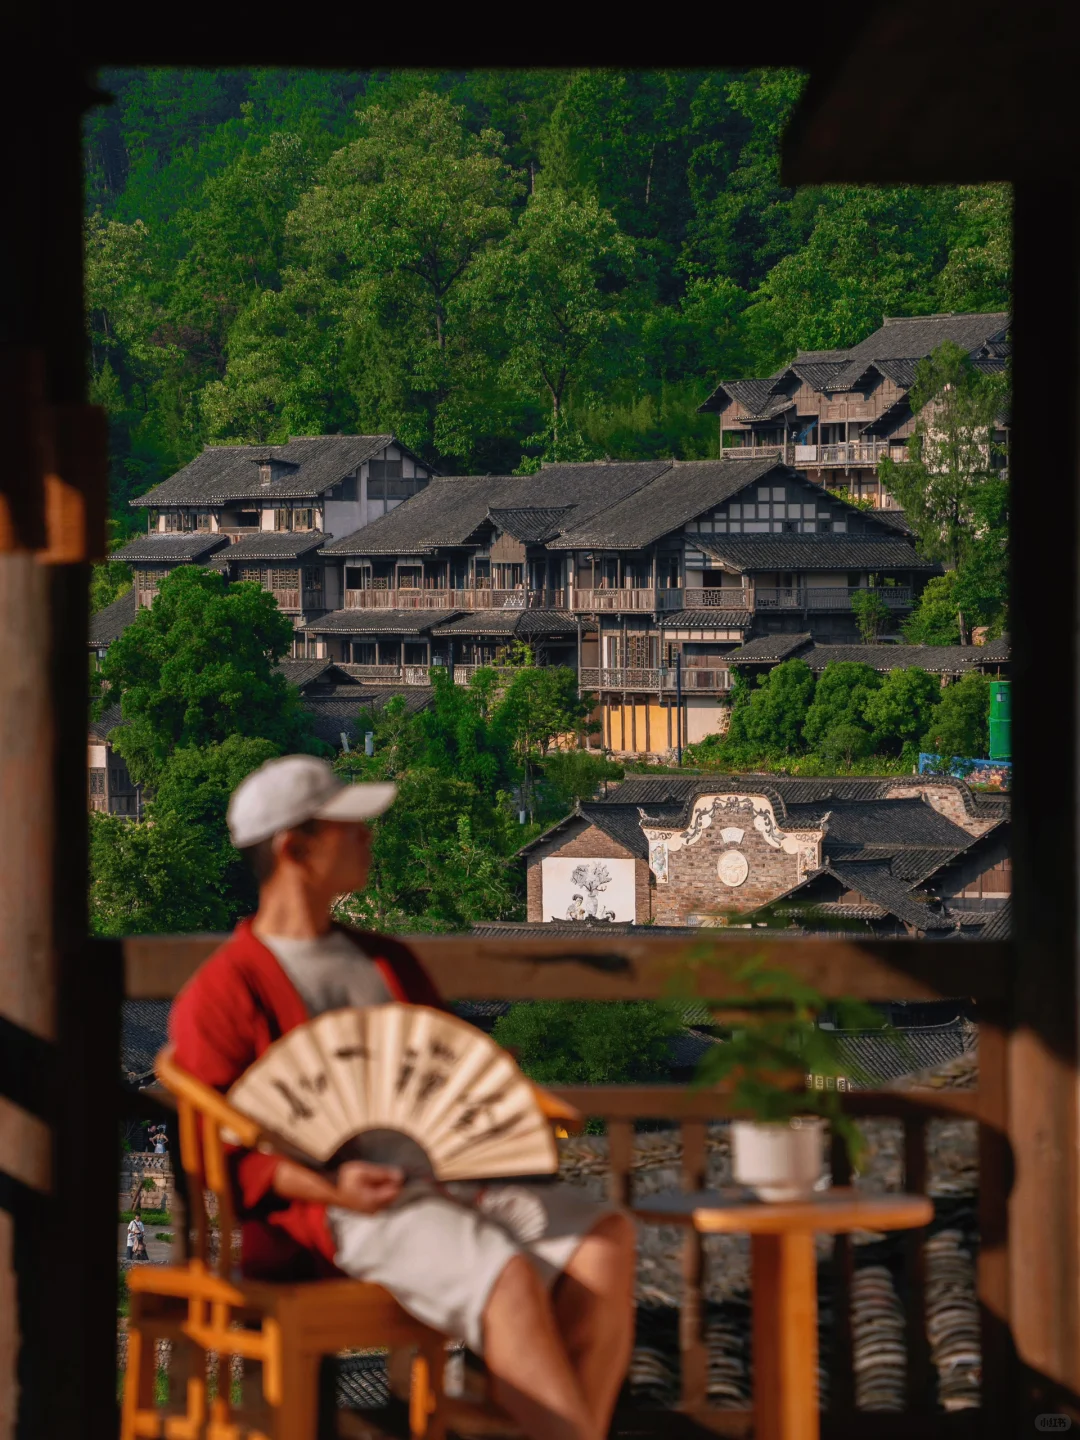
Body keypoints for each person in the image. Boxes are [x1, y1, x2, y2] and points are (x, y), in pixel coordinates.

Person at [170, 756, 635, 1440]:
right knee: (505, 1274)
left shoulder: (386, 962)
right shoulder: (225, 991)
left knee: (604, 1241)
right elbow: (225, 1154)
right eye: (349, 827)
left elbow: (445, 1071)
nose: (368, 836)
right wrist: (332, 1186)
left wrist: (493, 1089)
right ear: (295, 848)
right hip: (331, 1213)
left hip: (448, 1182)